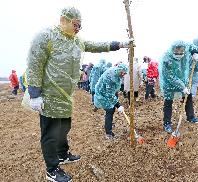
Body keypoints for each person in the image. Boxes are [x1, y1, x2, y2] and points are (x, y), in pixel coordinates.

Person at [25, 7, 131, 182]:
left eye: (80, 26)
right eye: (75, 25)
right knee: (50, 132)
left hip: (65, 95)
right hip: (49, 95)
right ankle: (52, 169)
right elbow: (35, 63)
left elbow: (96, 46)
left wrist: (120, 44)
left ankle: (62, 154)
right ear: (64, 20)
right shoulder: (47, 36)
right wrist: (35, 93)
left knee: (64, 127)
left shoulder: (76, 42)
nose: (77, 29)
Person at [159, 40, 198, 133]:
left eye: (181, 52)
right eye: (176, 52)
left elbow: (191, 46)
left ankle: (191, 117)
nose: (179, 54)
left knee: (188, 97)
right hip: (169, 83)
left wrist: (194, 53)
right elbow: (170, 77)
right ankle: (167, 123)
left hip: (183, 78)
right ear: (172, 50)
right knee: (168, 102)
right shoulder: (167, 58)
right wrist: (182, 87)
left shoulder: (186, 48)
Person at [93, 63, 128, 139]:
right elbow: (109, 94)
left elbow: (115, 88)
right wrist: (118, 105)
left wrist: (117, 101)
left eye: (124, 73)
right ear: (119, 70)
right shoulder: (110, 77)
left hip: (110, 92)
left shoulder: (117, 73)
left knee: (112, 109)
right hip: (103, 94)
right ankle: (108, 133)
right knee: (110, 110)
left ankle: (109, 124)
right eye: (122, 72)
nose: (123, 74)